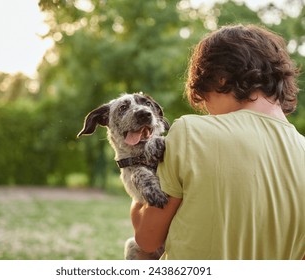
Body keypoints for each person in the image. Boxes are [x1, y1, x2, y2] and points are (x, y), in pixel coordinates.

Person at [130, 24, 305, 260]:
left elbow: (147, 239)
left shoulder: (191, 132)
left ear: (219, 79)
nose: (208, 112)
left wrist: (136, 186)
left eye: (205, 100)